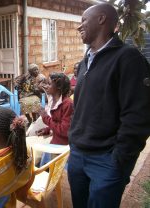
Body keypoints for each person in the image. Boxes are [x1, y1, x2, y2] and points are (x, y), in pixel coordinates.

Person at [68, 3, 150, 208]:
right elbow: (81, 107)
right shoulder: (86, 60)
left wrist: (120, 160)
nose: (80, 27)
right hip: (78, 155)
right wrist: (74, 140)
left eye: (83, 21)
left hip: (106, 161)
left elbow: (138, 115)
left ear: (101, 19)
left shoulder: (128, 58)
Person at [36, 72, 73, 166]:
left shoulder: (67, 104)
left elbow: (64, 130)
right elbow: (57, 122)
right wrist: (47, 130)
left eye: (49, 84)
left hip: (62, 148)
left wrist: (45, 118)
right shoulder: (52, 100)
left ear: (59, 87)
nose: (46, 86)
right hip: (55, 143)